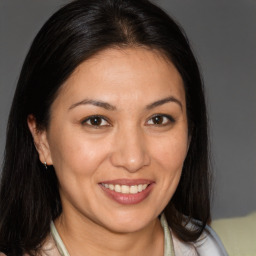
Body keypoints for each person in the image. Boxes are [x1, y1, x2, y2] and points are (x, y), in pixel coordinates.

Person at [0, 0, 228, 255]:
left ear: (190, 132)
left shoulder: (207, 247)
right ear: (41, 138)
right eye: (96, 121)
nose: (132, 159)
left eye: (158, 119)